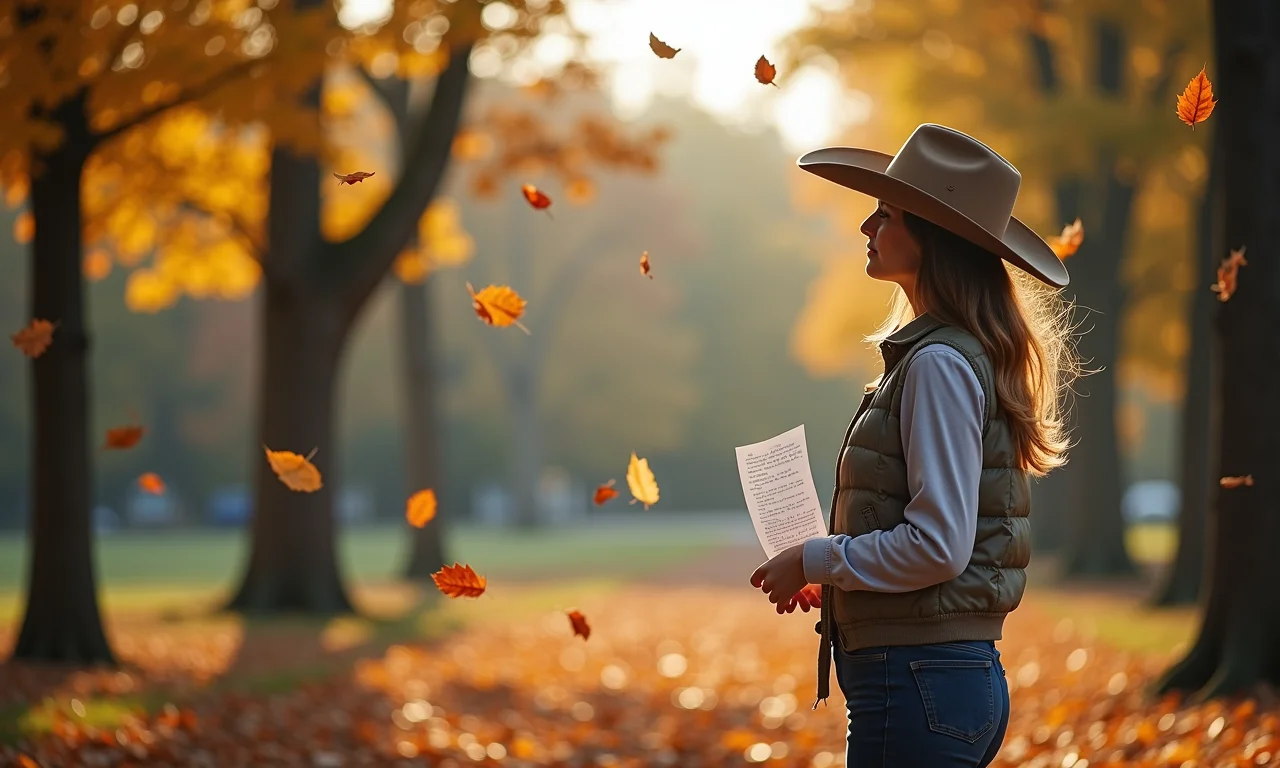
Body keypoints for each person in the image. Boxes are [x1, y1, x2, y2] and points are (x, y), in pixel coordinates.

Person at [749, 123, 1080, 768]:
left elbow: (939, 545)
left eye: (887, 215)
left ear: (933, 239)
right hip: (929, 679)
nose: (866, 229)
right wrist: (844, 569)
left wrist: (816, 559)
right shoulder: (938, 357)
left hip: (920, 680)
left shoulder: (938, 364)